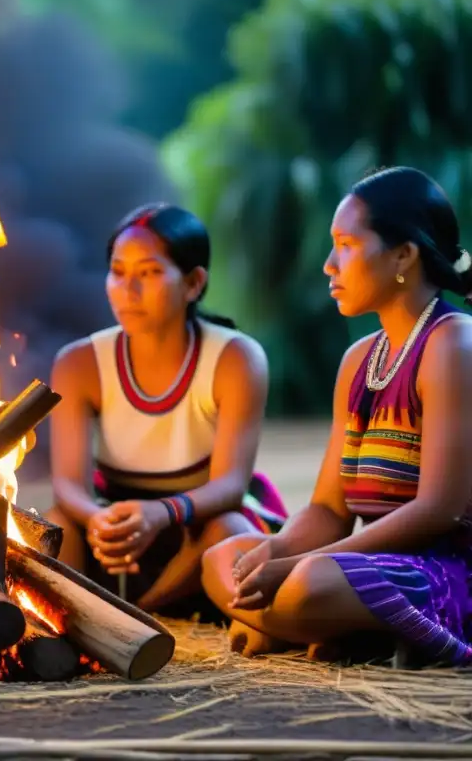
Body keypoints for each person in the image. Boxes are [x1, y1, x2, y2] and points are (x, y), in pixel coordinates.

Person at [202, 166, 472, 665]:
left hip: (450, 571)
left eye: (346, 244)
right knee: (224, 558)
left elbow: (441, 508)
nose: (329, 264)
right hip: (368, 566)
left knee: (308, 584)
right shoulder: (358, 362)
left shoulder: (453, 343)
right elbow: (329, 510)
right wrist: (278, 550)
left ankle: (311, 625)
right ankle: (349, 630)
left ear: (403, 256)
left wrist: (302, 564)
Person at [45, 203, 287, 617]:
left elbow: (230, 484)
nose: (128, 289)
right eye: (118, 271)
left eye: (150, 273)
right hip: (118, 541)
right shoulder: (79, 363)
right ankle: (76, 621)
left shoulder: (235, 358)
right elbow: (69, 487)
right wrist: (98, 522)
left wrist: (162, 513)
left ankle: (144, 612)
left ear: (193, 283)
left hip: (198, 531)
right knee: (57, 527)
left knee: (228, 530)